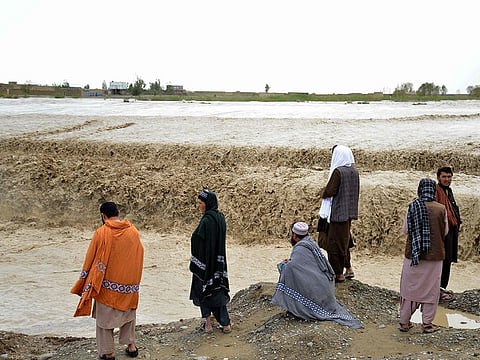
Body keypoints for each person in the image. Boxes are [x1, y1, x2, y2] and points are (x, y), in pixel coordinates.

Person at [71, 202, 144, 359]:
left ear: (103, 216)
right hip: (129, 283)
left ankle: (108, 352)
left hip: (107, 284)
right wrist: (134, 280)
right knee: (128, 314)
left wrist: (84, 279)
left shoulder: (101, 233)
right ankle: (131, 346)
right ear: (118, 212)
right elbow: (139, 255)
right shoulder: (133, 231)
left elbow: (90, 258)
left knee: (105, 319)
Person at [271, 222, 362, 328]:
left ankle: (295, 305)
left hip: (317, 294)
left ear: (295, 236)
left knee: (285, 268)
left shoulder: (300, 248)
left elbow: (293, 267)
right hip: (326, 288)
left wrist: (285, 264)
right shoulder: (311, 243)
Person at [399, 179, 448, 333]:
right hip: (434, 256)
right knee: (431, 290)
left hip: (414, 255)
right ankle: (427, 324)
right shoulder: (441, 209)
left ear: (419, 189)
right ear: (433, 191)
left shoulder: (413, 206)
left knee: (409, 289)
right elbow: (445, 231)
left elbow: (405, 230)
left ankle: (404, 323)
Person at [189, 189, 232, 334]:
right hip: (218, 264)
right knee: (217, 292)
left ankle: (207, 324)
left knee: (203, 291)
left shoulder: (207, 220)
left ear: (207, 204)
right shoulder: (220, 217)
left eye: (201, 203)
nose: (199, 206)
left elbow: (197, 238)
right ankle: (226, 324)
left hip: (205, 264)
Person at [318, 145, 359, 282]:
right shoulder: (354, 171)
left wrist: (322, 193)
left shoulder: (338, 172)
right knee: (345, 241)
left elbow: (330, 191)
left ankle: (338, 274)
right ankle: (348, 268)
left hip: (336, 214)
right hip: (348, 213)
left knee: (334, 244)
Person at [435, 166, 461, 302]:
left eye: (449, 177)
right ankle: (438, 290)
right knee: (442, 261)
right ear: (438, 178)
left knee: (447, 260)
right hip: (442, 233)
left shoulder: (448, 191)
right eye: (444, 177)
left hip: (450, 231)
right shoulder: (437, 191)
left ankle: (441, 288)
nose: (447, 179)